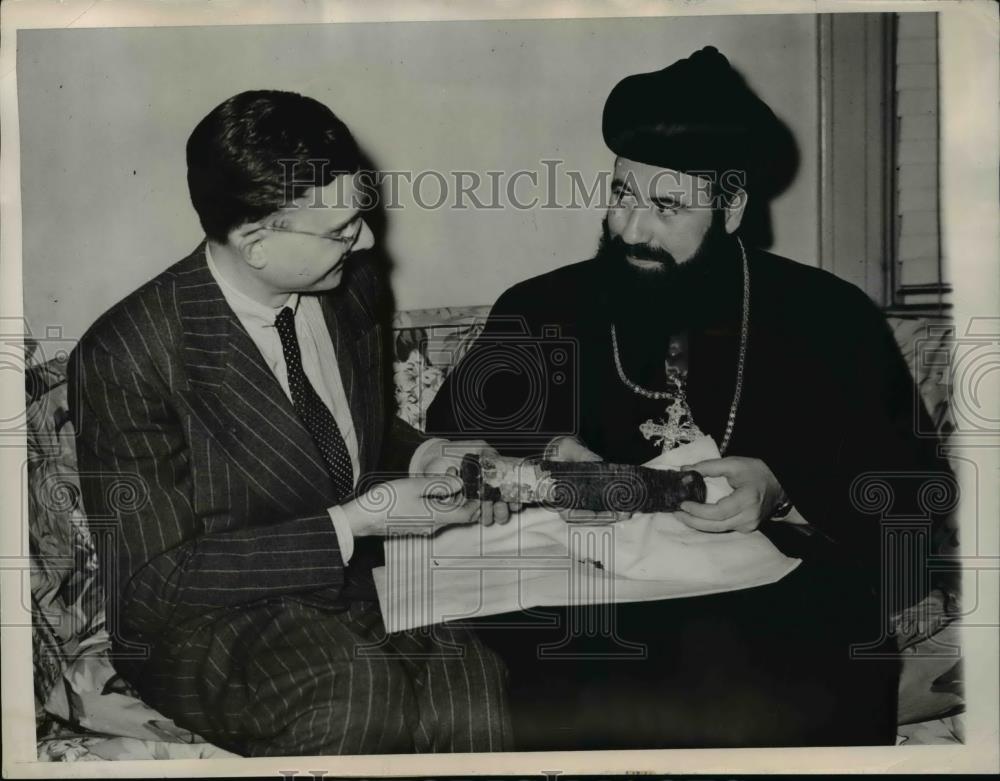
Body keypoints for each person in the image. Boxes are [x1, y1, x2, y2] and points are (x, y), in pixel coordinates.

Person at [426, 47, 953, 748]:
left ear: (731, 207)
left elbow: (917, 494)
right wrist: (553, 454)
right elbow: (450, 436)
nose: (630, 228)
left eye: (667, 206)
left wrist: (783, 489)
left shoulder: (829, 317)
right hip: (588, 605)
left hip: (767, 609)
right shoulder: (547, 305)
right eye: (621, 194)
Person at [68, 90, 514, 757]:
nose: (365, 240)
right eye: (340, 230)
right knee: (357, 692)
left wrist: (426, 455)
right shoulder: (128, 355)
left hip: (348, 588)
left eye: (360, 218)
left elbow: (338, 429)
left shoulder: (351, 284)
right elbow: (150, 587)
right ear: (254, 242)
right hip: (207, 620)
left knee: (471, 680)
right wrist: (356, 522)